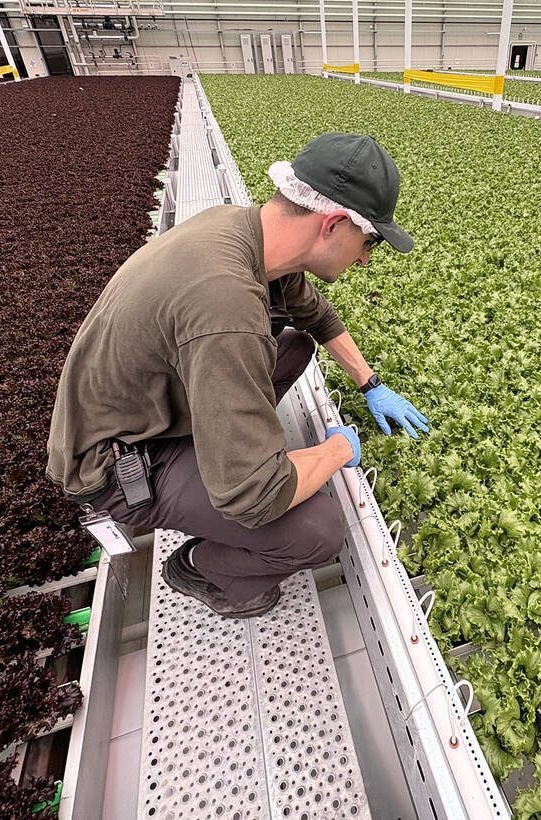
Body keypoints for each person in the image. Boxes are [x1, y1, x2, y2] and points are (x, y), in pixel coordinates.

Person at [46, 133, 429, 619]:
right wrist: (338, 449)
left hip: (142, 407)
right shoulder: (226, 306)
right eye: (368, 241)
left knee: (293, 347)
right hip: (113, 466)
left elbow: (316, 316)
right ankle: (204, 568)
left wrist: (371, 385)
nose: (365, 258)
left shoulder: (248, 232)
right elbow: (256, 497)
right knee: (317, 530)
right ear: (332, 224)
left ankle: (223, 455)